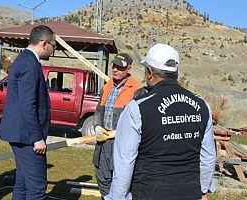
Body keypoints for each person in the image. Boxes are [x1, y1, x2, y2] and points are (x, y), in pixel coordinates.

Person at [105, 43, 217, 200]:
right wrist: (203, 190)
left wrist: (117, 198)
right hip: (190, 193)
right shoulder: (202, 106)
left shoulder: (137, 108)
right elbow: (208, 157)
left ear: (149, 72)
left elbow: (124, 163)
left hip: (148, 193)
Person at [0, 25, 55, 200]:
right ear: (44, 43)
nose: (54, 50)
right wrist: (37, 138)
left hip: (22, 134)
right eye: (54, 45)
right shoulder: (29, 64)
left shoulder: (25, 60)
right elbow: (27, 104)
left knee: (22, 184)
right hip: (26, 136)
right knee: (37, 186)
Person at [93, 53, 145, 198]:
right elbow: (99, 110)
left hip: (123, 143)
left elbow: (140, 120)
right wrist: (97, 126)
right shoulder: (107, 86)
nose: (115, 70)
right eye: (114, 66)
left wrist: (120, 132)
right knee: (102, 176)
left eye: (120, 67)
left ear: (129, 69)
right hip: (104, 142)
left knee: (122, 178)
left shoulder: (137, 89)